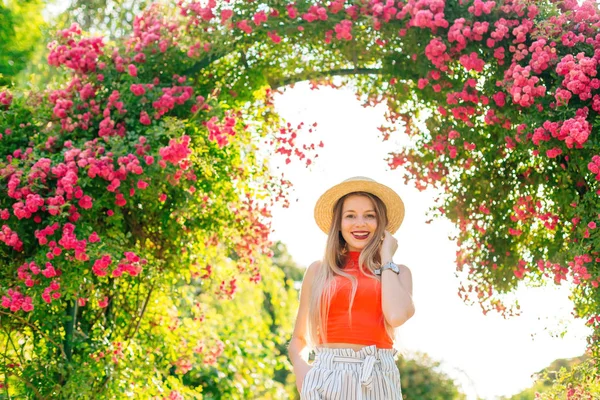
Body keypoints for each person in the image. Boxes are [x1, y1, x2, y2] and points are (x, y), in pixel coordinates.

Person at [288, 176, 415, 400]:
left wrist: (387, 258)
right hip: (326, 375)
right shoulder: (318, 271)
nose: (360, 223)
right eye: (350, 216)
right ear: (338, 224)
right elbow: (299, 339)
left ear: (381, 224)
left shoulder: (398, 272)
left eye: (370, 216)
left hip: (377, 376)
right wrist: (302, 371)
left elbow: (395, 316)